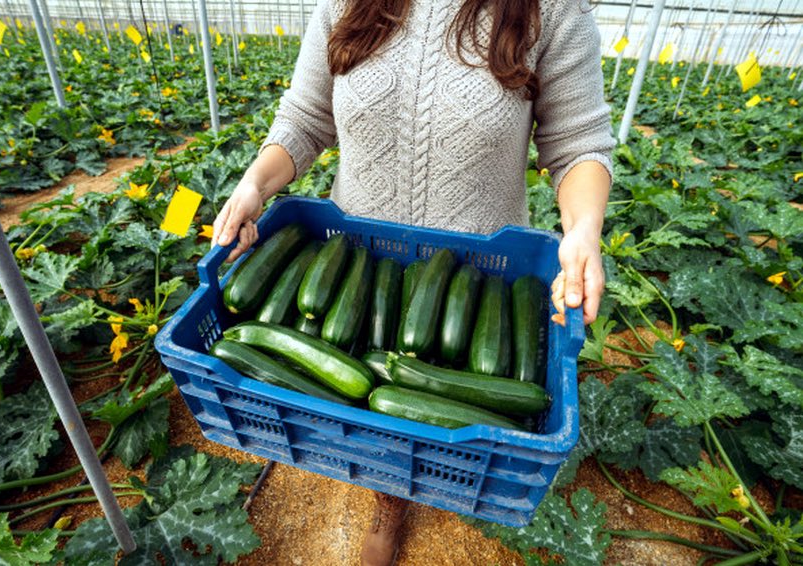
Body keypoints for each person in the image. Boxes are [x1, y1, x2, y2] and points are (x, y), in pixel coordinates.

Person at [211, 0, 615, 563]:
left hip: (476, 279)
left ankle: (410, 490)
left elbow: (579, 146)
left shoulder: (553, 10)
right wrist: (255, 184)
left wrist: (584, 231)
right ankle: (388, 496)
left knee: (436, 397)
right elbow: (305, 118)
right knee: (377, 396)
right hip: (356, 262)